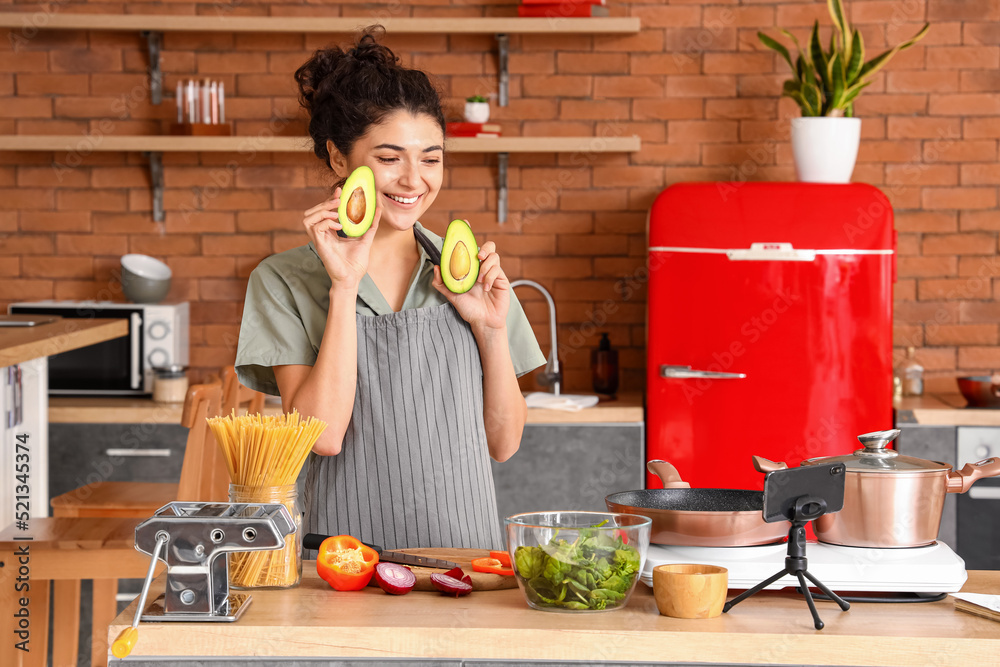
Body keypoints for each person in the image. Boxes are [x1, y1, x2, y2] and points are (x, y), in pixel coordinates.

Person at [234, 26, 545, 552]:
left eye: (431, 158)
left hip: (464, 562)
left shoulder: (469, 274)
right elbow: (323, 436)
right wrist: (343, 286)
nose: (413, 180)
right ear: (338, 159)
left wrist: (491, 330)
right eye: (388, 157)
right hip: (341, 566)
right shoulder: (283, 280)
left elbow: (503, 442)